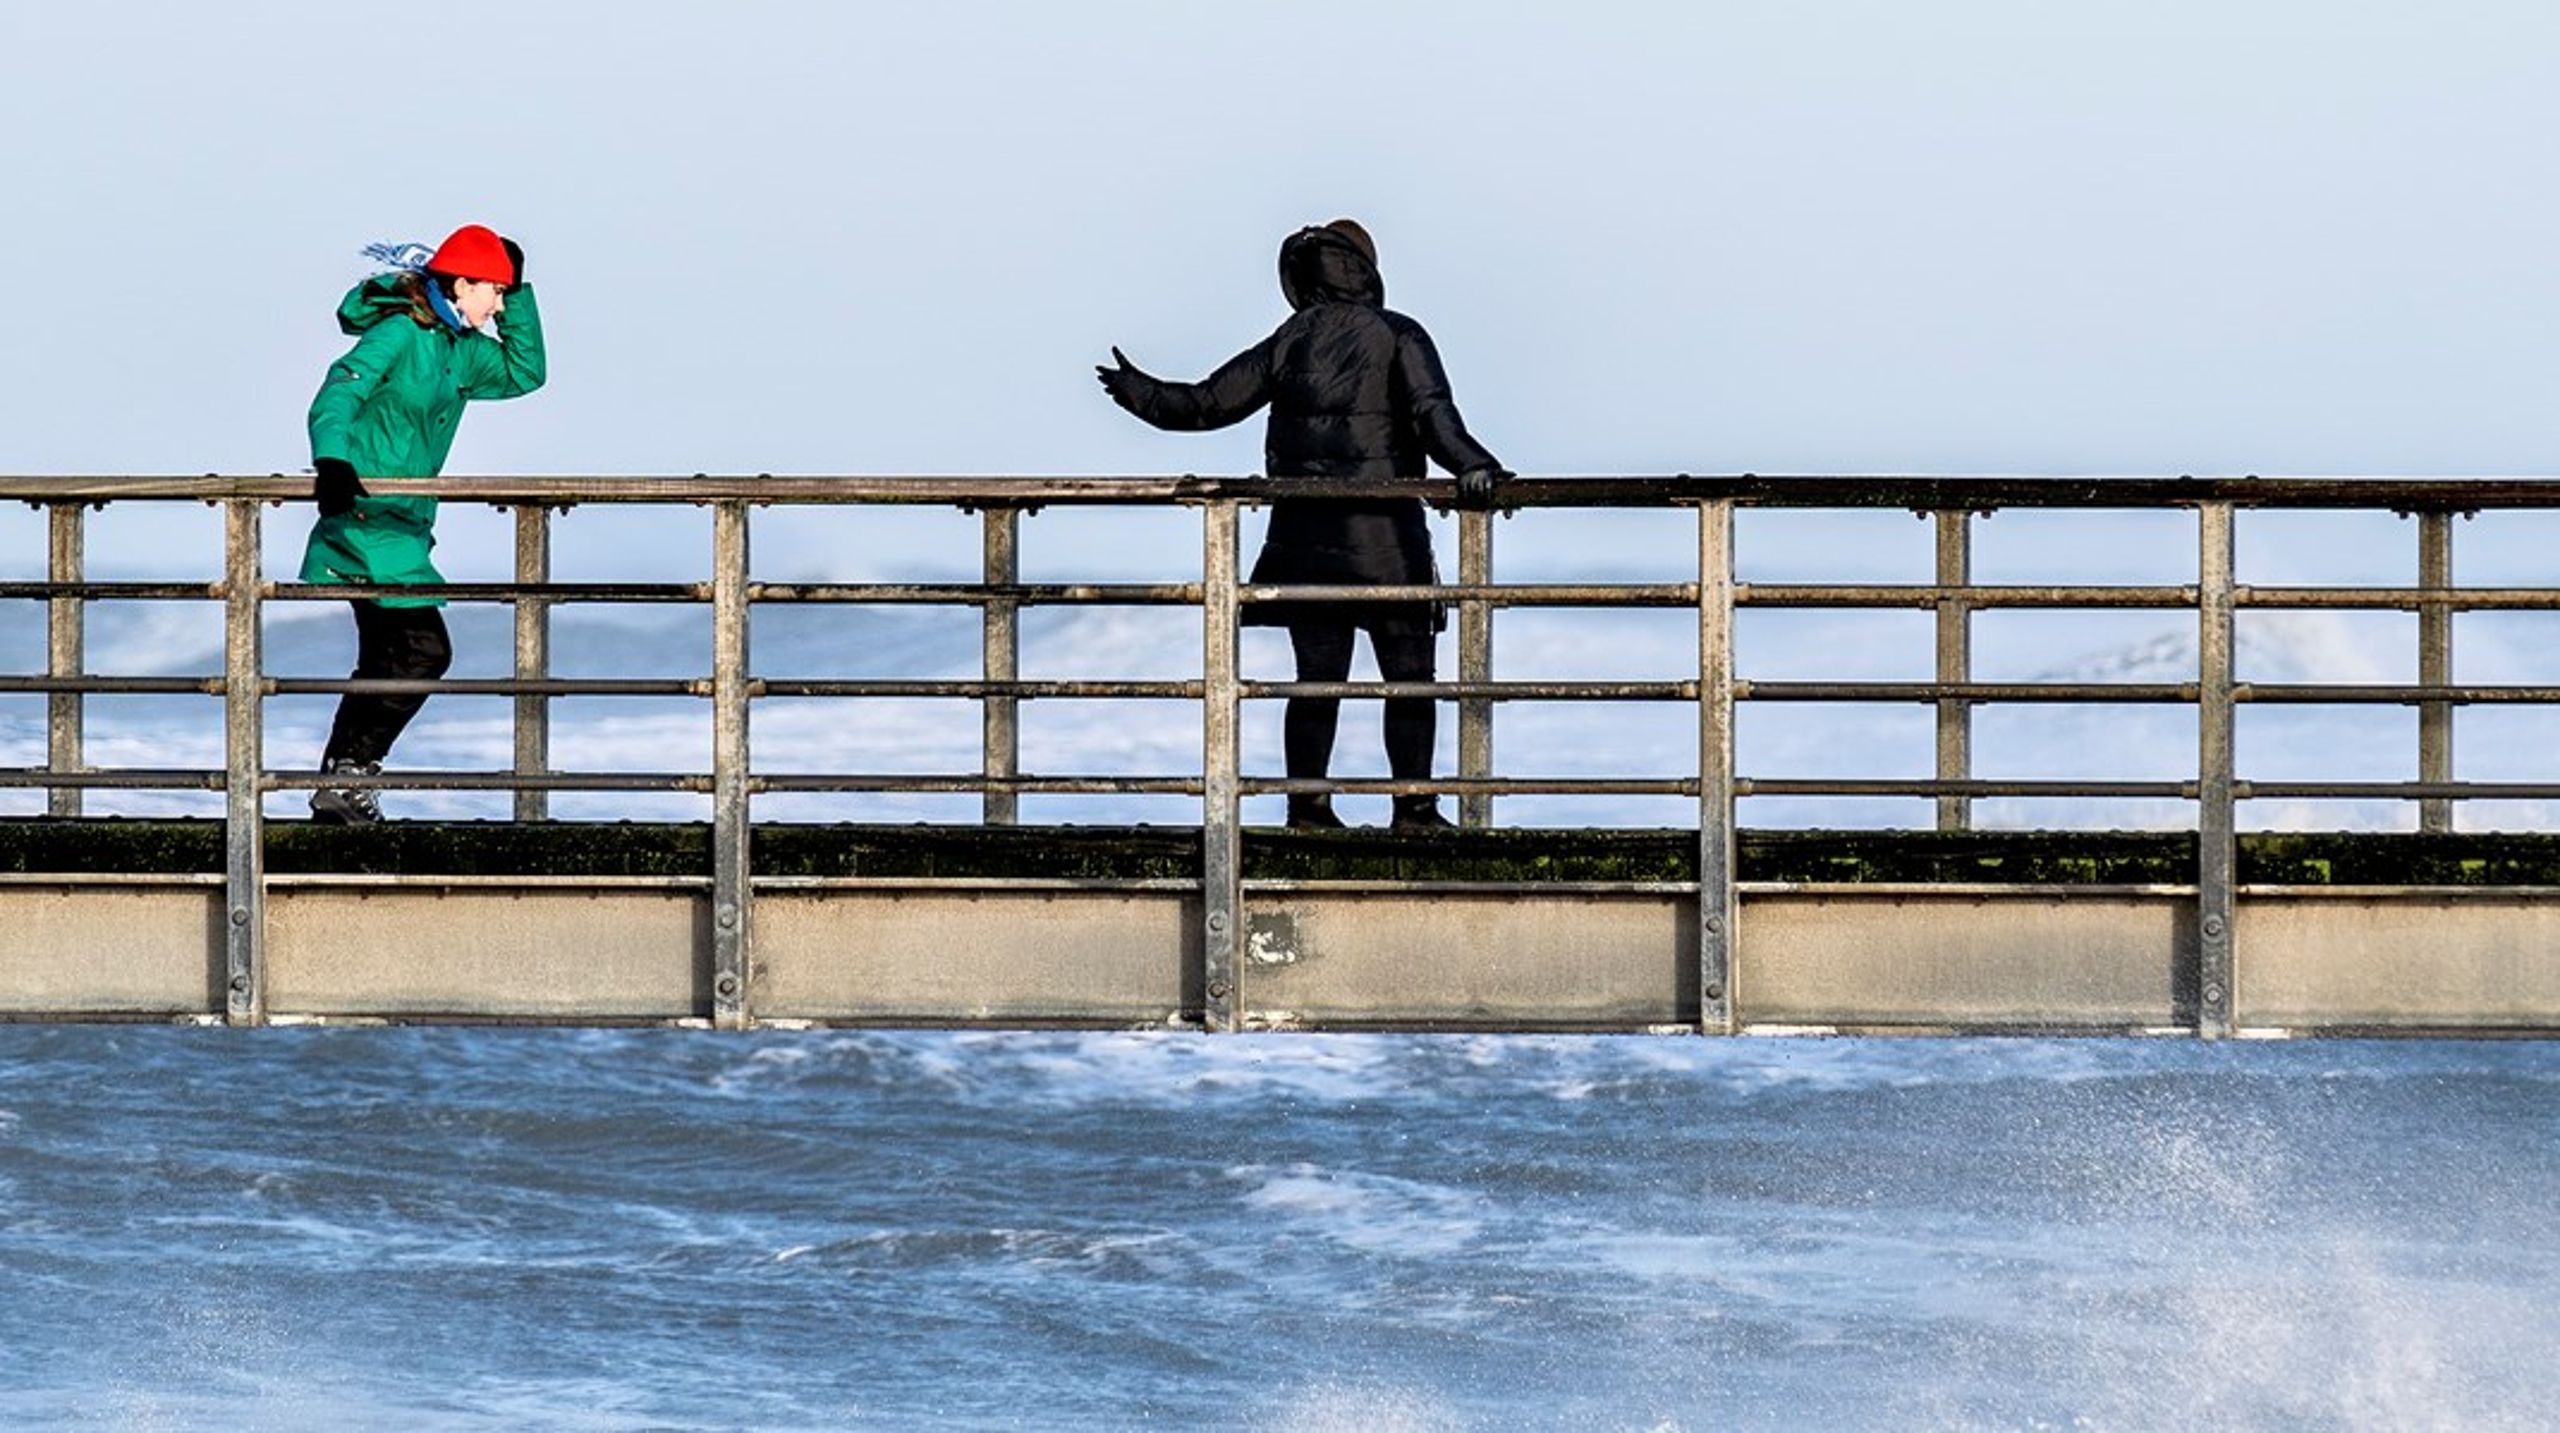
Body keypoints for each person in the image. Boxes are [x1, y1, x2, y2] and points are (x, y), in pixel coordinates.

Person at [1097, 219, 1508, 829]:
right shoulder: (1398, 335)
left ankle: (1308, 807)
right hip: (1387, 542)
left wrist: (1140, 391)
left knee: (1317, 679)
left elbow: (1207, 404)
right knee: (1411, 677)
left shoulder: (1290, 340)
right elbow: (1432, 418)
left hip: (1305, 543)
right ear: (1366, 270)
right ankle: (1415, 810)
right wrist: (1478, 468)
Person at [302, 224, 544, 824]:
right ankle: (347, 779)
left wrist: (522, 289)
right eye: (496, 290)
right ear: (461, 284)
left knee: (388, 657)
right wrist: (332, 460)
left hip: (404, 525)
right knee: (421, 651)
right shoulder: (399, 332)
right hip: (362, 516)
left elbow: (524, 372)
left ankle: (341, 786)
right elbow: (338, 392)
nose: (500, 304)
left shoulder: (462, 348)